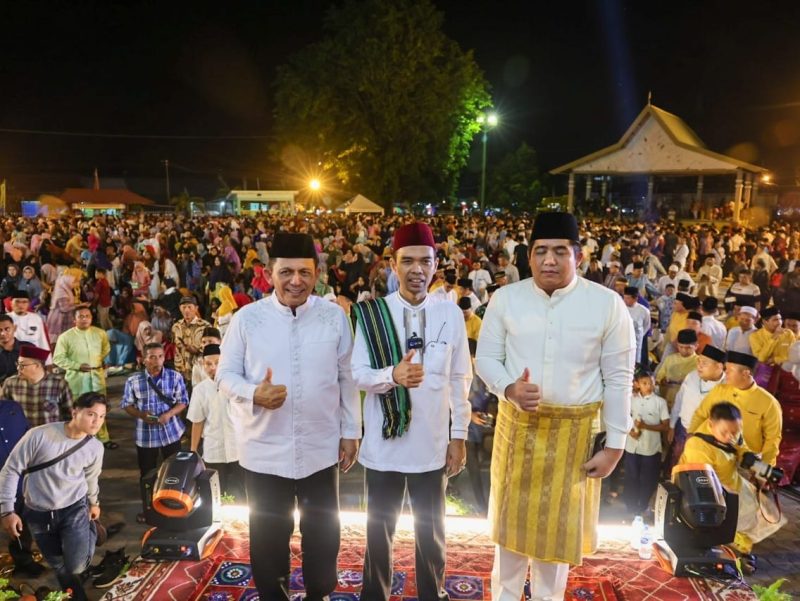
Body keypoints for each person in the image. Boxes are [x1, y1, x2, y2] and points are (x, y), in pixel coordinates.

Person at [475, 212, 635, 601]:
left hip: (572, 438)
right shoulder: (506, 299)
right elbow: (485, 359)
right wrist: (509, 388)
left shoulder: (607, 305)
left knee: (555, 546)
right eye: (540, 251)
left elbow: (619, 378)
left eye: (560, 251)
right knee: (509, 543)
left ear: (578, 256)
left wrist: (615, 446)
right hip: (518, 430)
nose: (549, 260)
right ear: (528, 257)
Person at [217, 232, 360, 601]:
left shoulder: (333, 317)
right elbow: (225, 375)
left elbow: (346, 375)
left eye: (304, 272)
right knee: (267, 537)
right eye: (286, 272)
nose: (296, 281)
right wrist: (254, 393)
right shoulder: (247, 319)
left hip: (320, 446)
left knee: (324, 532)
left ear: (317, 273)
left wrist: (350, 431)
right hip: (264, 450)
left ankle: (319, 594)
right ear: (269, 272)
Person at [350, 222, 470, 601]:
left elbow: (459, 377)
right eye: (408, 261)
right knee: (378, 531)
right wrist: (392, 375)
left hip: (431, 445)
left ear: (436, 265)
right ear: (392, 264)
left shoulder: (450, 314)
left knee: (431, 533)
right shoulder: (373, 314)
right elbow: (357, 374)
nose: (417, 269)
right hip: (384, 446)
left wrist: (460, 436)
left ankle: (432, 595)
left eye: (425, 261)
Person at [0, 392, 107, 601]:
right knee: (58, 564)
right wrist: (7, 510)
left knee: (76, 564)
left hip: (74, 508)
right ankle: (78, 597)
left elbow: (91, 477)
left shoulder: (95, 447)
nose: (97, 422)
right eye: (91, 414)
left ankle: (90, 529)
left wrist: (94, 503)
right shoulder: (39, 435)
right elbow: (11, 469)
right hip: (38, 513)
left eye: (102, 416)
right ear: (75, 411)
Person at [680, 402, 786, 563]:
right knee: (726, 522)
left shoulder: (732, 432)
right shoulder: (697, 446)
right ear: (710, 424)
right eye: (725, 432)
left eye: (735, 432)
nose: (730, 437)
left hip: (733, 483)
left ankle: (741, 552)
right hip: (710, 490)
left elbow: (740, 447)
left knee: (757, 515)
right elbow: (702, 481)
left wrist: (753, 462)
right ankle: (723, 553)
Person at [120, 342, 189, 522]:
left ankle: (174, 508)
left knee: (174, 472)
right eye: (152, 357)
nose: (157, 360)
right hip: (146, 436)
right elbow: (127, 404)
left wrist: (170, 414)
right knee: (147, 474)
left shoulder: (175, 376)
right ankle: (149, 509)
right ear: (143, 360)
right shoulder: (133, 381)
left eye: (160, 356)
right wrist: (140, 415)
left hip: (171, 433)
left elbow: (183, 401)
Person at [689, 350, 782, 467]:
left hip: (744, 463)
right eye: (725, 368)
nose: (725, 372)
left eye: (730, 370)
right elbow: (700, 414)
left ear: (745, 373)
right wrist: (691, 436)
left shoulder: (769, 403)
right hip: (711, 455)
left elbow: (772, 440)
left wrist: (764, 470)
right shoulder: (720, 390)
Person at [53, 306, 115, 448]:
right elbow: (58, 358)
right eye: (81, 316)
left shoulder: (100, 333)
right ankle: (78, 440)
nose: (85, 319)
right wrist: (77, 365)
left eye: (87, 316)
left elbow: (106, 348)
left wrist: (97, 361)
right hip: (77, 380)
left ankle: (103, 439)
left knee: (100, 410)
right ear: (74, 320)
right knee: (79, 411)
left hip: (97, 378)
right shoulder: (65, 337)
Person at [187, 344, 242, 500]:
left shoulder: (236, 385)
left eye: (217, 363)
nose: (213, 368)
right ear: (203, 365)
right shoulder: (200, 390)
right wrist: (193, 451)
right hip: (213, 451)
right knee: (215, 495)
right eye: (208, 364)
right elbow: (198, 422)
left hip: (238, 450)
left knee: (242, 493)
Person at [624, 370, 669, 515]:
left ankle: (643, 506)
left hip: (651, 448)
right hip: (632, 447)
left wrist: (645, 426)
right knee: (631, 477)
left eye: (651, 382)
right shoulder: (631, 399)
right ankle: (630, 506)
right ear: (637, 385)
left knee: (647, 479)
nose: (649, 386)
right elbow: (624, 418)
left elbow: (665, 425)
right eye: (644, 383)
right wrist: (631, 431)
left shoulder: (660, 402)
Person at [2, 345, 72, 427]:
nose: (18, 368)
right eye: (17, 364)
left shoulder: (59, 384)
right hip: (21, 435)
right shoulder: (11, 383)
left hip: (50, 435)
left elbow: (69, 416)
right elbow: (3, 412)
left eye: (22, 365)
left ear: (37, 366)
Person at [749, 306, 796, 389]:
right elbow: (761, 358)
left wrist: (774, 359)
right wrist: (774, 337)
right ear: (765, 321)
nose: (779, 323)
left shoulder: (788, 334)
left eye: (780, 319)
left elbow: (793, 357)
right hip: (765, 373)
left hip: (785, 371)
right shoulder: (755, 336)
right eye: (775, 320)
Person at [171, 295, 210, 391]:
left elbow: (212, 349)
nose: (186, 310)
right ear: (180, 309)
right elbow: (175, 347)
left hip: (199, 372)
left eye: (189, 307)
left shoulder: (206, 326)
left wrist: (197, 351)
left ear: (196, 308)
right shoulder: (176, 326)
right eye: (184, 307)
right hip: (181, 371)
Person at [655, 329, 698, 412]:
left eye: (688, 348)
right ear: (677, 345)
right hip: (667, 399)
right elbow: (659, 378)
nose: (684, 350)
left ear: (696, 346)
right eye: (681, 347)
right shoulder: (670, 359)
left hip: (687, 404)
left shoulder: (699, 362)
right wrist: (663, 381)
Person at [623, 286, 651, 367]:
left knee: (634, 362)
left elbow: (646, 325)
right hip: (621, 339)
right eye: (624, 297)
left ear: (635, 299)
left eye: (628, 298)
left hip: (636, 341)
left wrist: (639, 336)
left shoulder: (644, 311)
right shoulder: (620, 307)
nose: (625, 300)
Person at [0, 315, 32, 383]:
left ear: (14, 328)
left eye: (7, 329)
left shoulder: (29, 348)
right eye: (0, 330)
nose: (3, 333)